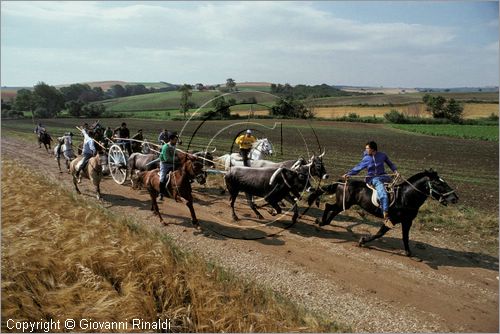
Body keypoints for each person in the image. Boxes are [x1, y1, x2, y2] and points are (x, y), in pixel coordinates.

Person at [343, 141, 399, 227]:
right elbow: (358, 167)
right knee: (383, 194)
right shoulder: (366, 158)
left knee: (396, 189)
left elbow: (390, 164)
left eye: (367, 148)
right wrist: (349, 174)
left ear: (372, 149)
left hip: (384, 176)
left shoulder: (382, 155)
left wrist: (395, 171)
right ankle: (386, 215)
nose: (365, 150)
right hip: (373, 179)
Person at [159, 133, 180, 199]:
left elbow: (175, 153)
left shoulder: (173, 146)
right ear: (171, 140)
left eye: (176, 140)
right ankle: (161, 193)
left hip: (173, 163)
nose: (176, 141)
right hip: (165, 164)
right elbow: (167, 158)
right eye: (175, 140)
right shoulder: (165, 147)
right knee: (162, 178)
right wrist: (176, 159)